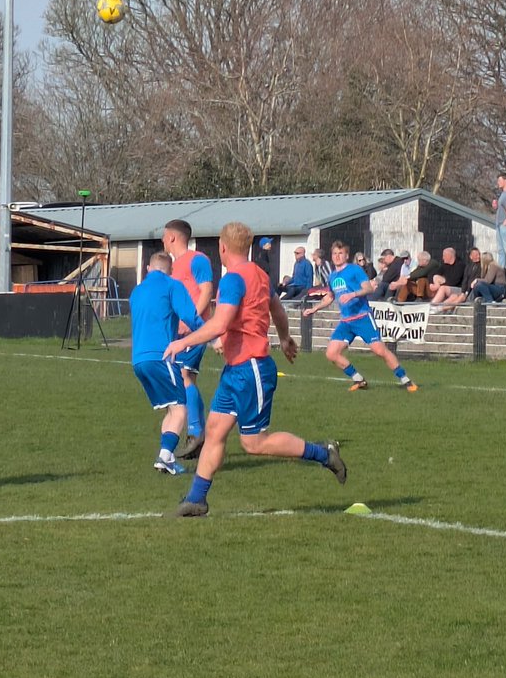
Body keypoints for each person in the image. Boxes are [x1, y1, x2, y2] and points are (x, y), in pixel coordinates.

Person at [163, 221, 346, 518]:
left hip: (251, 369)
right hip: (236, 369)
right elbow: (277, 309)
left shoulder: (233, 279)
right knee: (214, 431)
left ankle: (324, 454)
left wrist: (183, 342)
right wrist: (284, 338)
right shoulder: (259, 274)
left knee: (254, 443)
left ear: (223, 247)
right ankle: (196, 499)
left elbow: (220, 323)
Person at [304, 240, 419, 392]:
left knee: (379, 351)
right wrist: (315, 308)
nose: (337, 256)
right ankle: (358, 379)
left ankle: (406, 380)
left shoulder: (354, 270)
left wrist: (352, 294)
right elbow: (330, 296)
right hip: (346, 321)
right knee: (331, 353)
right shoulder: (332, 276)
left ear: (346, 256)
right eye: (334, 253)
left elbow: (368, 288)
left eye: (340, 253)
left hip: (362, 317)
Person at [129, 252, 205, 475]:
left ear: (148, 268)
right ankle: (165, 457)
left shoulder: (136, 291)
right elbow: (190, 316)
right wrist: (212, 335)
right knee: (180, 409)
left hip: (138, 360)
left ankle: (167, 458)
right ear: (170, 270)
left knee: (170, 410)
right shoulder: (172, 285)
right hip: (161, 357)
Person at [162, 219, 215, 461]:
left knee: (184, 377)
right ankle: (197, 433)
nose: (163, 241)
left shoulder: (197, 259)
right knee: (186, 379)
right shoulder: (174, 266)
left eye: (164, 236)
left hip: (195, 331)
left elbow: (207, 291)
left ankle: (195, 432)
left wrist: (192, 320)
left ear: (172, 237)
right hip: (181, 333)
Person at [493, 173, 506, 271]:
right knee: (500, 250)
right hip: (499, 223)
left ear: (505, 180)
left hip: (505, 224)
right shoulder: (503, 193)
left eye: (499, 180)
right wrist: (496, 206)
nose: (498, 183)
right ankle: (501, 271)